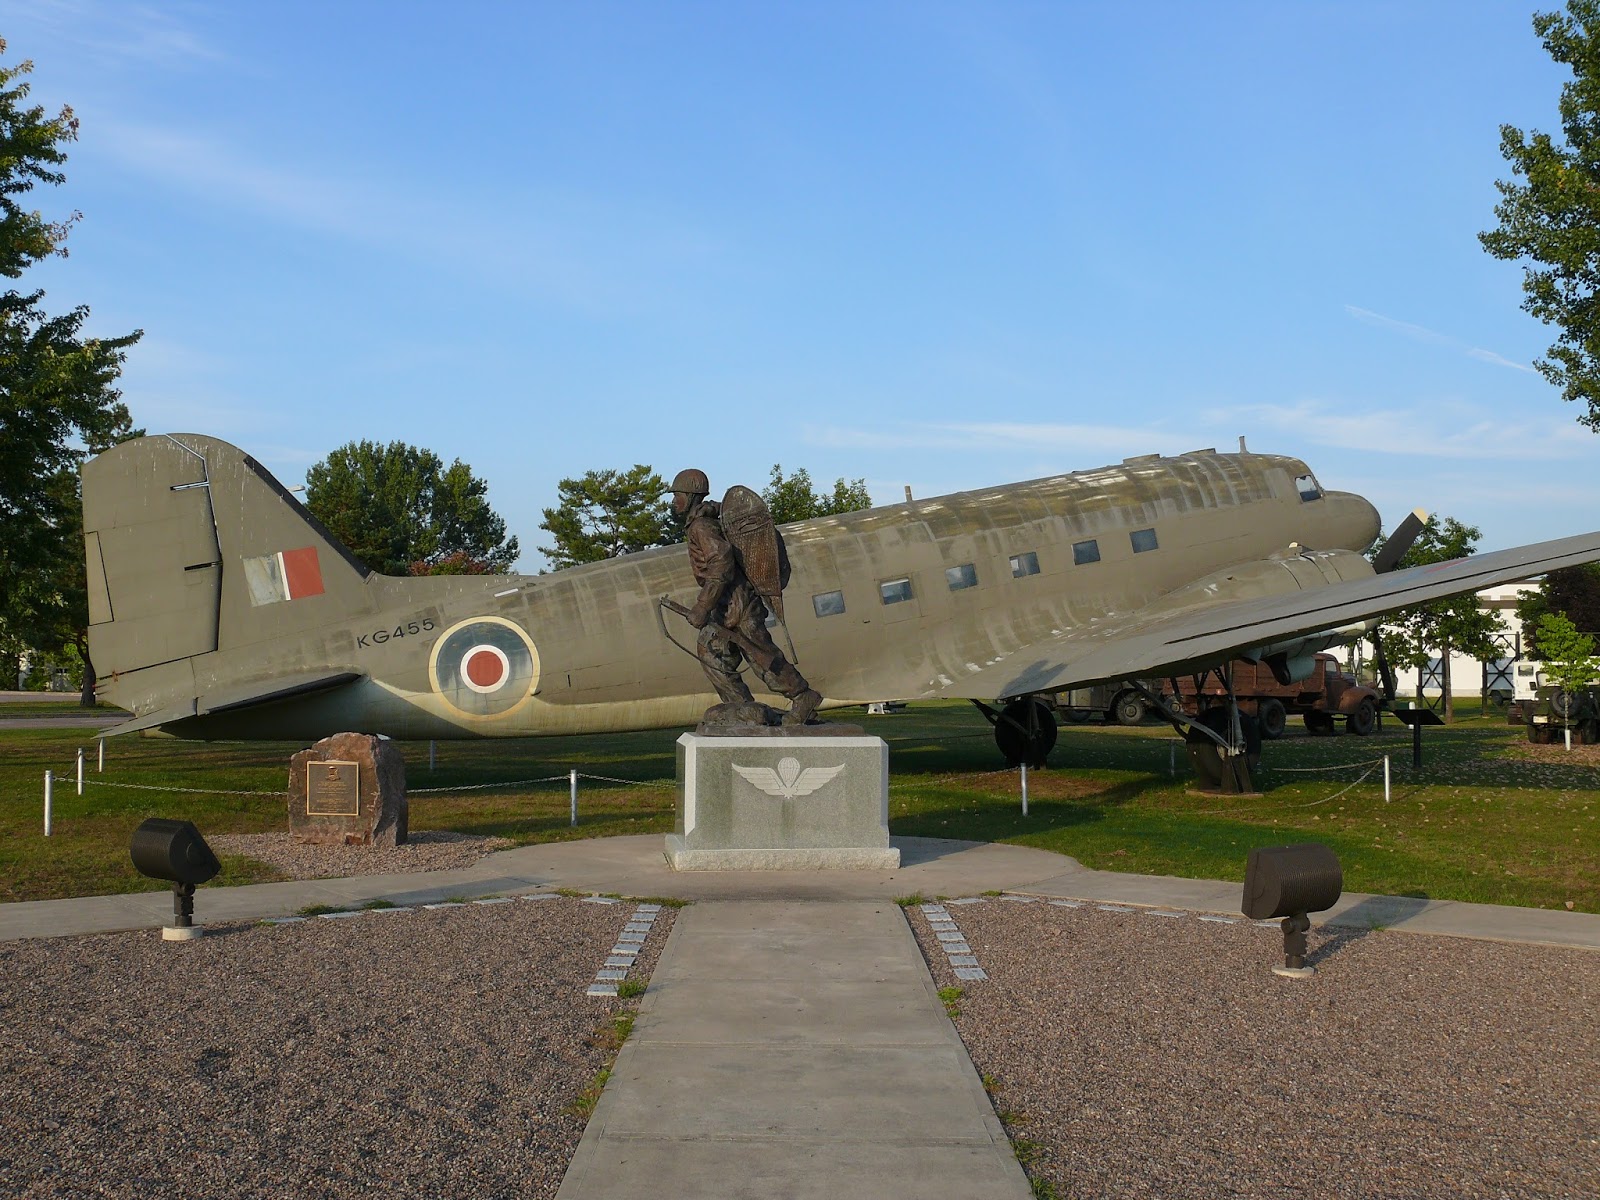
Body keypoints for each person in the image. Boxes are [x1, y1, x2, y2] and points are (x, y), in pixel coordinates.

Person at [671, 468, 821, 724]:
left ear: (691, 496)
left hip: (737, 602)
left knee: (759, 653)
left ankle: (803, 695)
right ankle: (742, 709)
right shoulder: (701, 523)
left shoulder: (701, 527)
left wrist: (702, 606)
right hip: (725, 602)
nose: (674, 502)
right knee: (711, 651)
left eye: (677, 496)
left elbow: (721, 562)